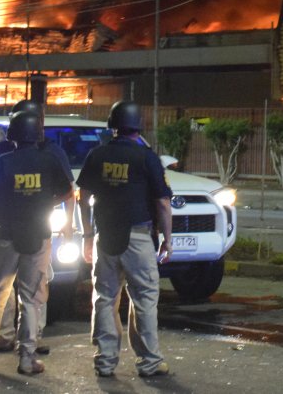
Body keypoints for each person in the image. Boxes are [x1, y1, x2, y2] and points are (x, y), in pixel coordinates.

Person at [0, 111, 74, 375]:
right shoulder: (50, 160)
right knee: (31, 299)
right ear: (38, 134)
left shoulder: (2, 161)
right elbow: (68, 193)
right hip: (38, 235)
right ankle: (27, 359)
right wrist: (47, 207)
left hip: (6, 233)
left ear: (13, 134)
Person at [77, 101, 172, 378]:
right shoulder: (147, 158)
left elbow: (82, 197)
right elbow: (163, 203)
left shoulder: (98, 154)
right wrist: (167, 239)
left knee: (105, 298)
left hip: (105, 236)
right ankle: (149, 362)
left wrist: (87, 234)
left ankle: (105, 362)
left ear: (113, 125)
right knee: (143, 299)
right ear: (138, 126)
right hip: (138, 238)